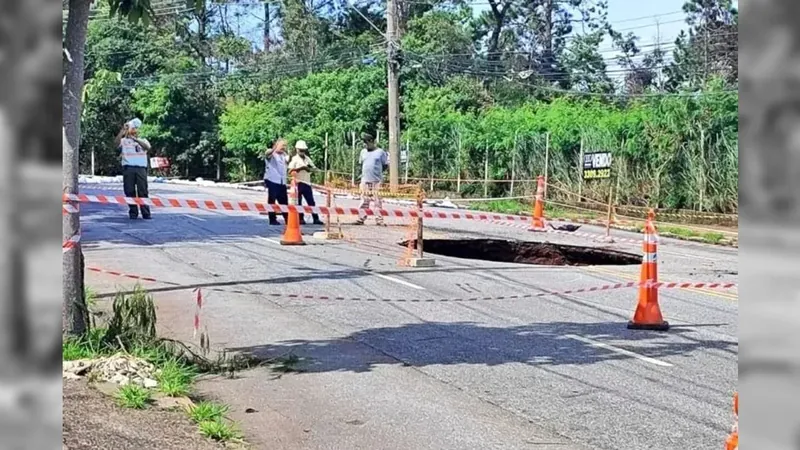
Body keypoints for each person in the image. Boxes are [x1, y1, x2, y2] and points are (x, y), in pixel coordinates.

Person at [114, 118, 152, 219]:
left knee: (143, 191)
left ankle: (146, 213)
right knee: (129, 191)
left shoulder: (143, 140)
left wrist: (136, 139)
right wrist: (122, 131)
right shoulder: (124, 141)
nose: (134, 130)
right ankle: (133, 212)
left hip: (141, 168)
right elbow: (115, 144)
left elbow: (147, 147)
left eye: (136, 129)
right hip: (128, 168)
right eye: (132, 128)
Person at [288, 140, 325, 225]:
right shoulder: (295, 159)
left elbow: (314, 169)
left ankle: (315, 218)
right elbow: (290, 171)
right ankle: (301, 218)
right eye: (300, 150)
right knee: (299, 202)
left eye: (303, 150)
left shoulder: (307, 159)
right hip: (298, 183)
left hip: (307, 183)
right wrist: (301, 168)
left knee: (311, 202)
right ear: (297, 149)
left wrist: (309, 169)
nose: (302, 151)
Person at [355, 133, 388, 226]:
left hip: (377, 181)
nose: (364, 144)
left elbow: (385, 165)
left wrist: (379, 174)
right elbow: (362, 164)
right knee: (364, 200)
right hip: (365, 180)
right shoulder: (363, 152)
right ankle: (361, 218)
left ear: (371, 141)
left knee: (377, 201)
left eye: (366, 142)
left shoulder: (380, 152)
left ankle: (379, 220)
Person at [263, 138, 290, 225]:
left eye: (285, 146)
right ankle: (272, 219)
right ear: (276, 145)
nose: (284, 148)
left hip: (282, 182)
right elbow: (267, 154)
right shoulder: (272, 154)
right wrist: (274, 149)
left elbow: (289, 160)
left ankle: (288, 220)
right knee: (272, 201)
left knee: (284, 202)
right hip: (272, 181)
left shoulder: (284, 155)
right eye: (282, 146)